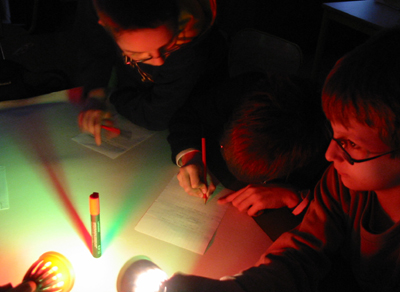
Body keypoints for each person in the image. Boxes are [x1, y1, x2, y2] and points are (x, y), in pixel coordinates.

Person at [164, 27, 400, 291]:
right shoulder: (340, 184)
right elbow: (300, 255)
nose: (329, 154)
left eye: (351, 144)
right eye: (335, 135)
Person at [168, 71, 330, 216]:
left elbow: (337, 218)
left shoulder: (328, 146)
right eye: (224, 148)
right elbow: (188, 114)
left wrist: (293, 196)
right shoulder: (240, 91)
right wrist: (191, 155)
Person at [75, 0, 228, 145]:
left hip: (193, 117)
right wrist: (96, 94)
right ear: (103, 23)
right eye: (138, 54)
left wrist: (114, 97)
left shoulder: (191, 48)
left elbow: (157, 116)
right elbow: (95, 46)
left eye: (167, 46)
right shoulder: (97, 9)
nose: (158, 61)